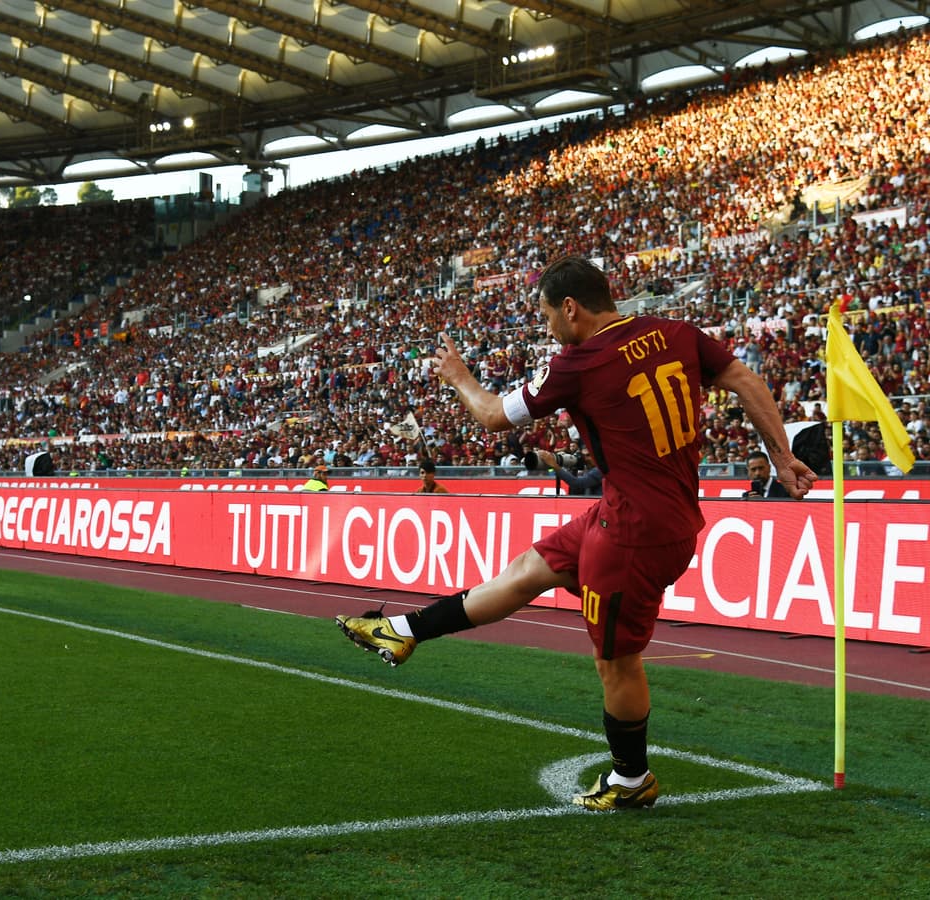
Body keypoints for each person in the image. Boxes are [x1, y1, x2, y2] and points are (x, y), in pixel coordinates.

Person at [336, 255, 815, 811]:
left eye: (546, 315)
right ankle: (404, 630)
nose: (547, 328)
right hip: (631, 511)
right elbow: (745, 380)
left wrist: (460, 377)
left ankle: (632, 780)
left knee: (616, 661)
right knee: (528, 569)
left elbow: (492, 415)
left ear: (570, 308)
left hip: (636, 534)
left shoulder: (579, 363)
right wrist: (782, 457)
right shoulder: (676, 333)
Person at [537, 447, 603, 496]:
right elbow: (576, 491)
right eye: (583, 456)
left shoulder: (600, 470)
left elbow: (577, 484)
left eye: (588, 455)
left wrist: (554, 465)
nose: (585, 459)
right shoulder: (589, 470)